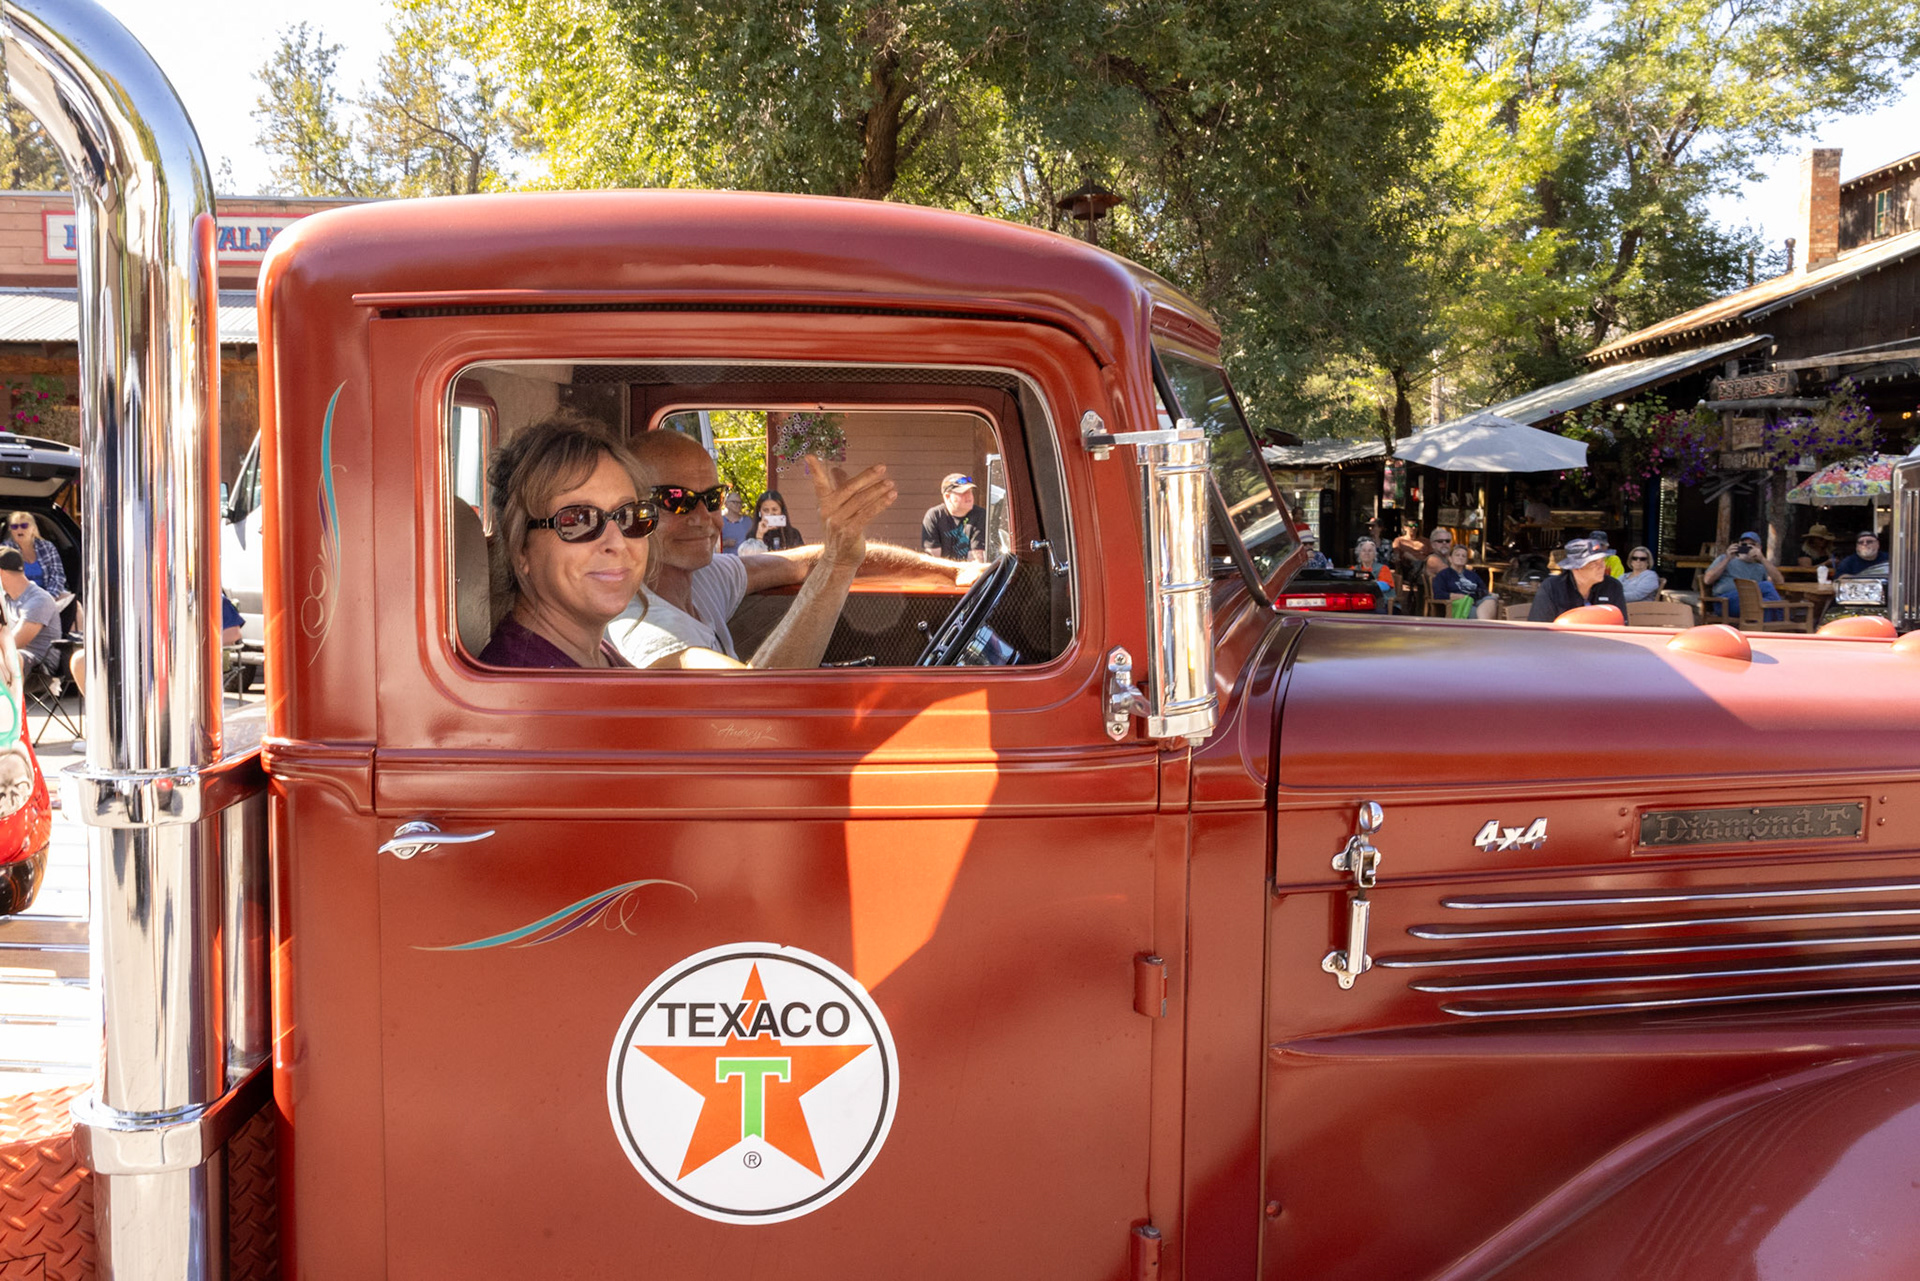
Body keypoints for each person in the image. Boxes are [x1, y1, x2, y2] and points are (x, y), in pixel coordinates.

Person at [611, 428, 976, 670]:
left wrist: (951, 572)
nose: (704, 516)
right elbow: (757, 709)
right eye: (677, 500)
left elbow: (802, 561)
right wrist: (838, 565)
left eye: (712, 497)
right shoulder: (644, 631)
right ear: (631, 510)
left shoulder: (702, 577)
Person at [476, 415, 654, 669]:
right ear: (521, 549)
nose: (618, 542)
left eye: (630, 516)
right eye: (579, 520)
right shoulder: (525, 688)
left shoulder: (590, 654)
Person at [1528, 538, 1627, 621]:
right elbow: (1539, 629)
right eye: (1594, 563)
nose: (1602, 566)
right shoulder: (1552, 588)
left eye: (1602, 561)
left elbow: (1622, 627)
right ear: (1576, 567)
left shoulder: (1613, 586)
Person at [0, 546, 61, 678]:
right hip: (13, 660)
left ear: (1, 572)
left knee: (11, 656)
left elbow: (15, 642)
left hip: (39, 665)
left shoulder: (39, 600)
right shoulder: (6, 597)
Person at [1703, 530, 1786, 617]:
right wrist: (1728, 559)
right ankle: (1784, 615)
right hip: (1726, 602)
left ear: (1759, 548)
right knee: (1766, 586)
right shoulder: (1724, 559)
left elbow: (1780, 581)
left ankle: (1766, 629)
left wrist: (1762, 558)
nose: (1747, 548)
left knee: (1766, 606)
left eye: (1752, 545)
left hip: (1751, 603)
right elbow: (1707, 580)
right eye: (1744, 545)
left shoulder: (1761, 567)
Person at [922, 473, 987, 561]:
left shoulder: (981, 515)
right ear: (947, 497)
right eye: (963, 492)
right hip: (942, 572)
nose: (969, 496)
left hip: (970, 572)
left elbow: (976, 558)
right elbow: (933, 559)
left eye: (970, 491)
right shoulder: (934, 516)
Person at [1429, 543, 1498, 619]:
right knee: (1477, 611)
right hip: (1460, 604)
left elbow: (1483, 589)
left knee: (1491, 599)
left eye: (1463, 556)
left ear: (1466, 560)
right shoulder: (1443, 575)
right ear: (1450, 558)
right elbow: (1438, 594)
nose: (1460, 558)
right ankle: (1483, 625)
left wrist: (1481, 594)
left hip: (1476, 601)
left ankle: (1482, 624)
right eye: (1457, 555)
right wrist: (1458, 596)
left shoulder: (1472, 575)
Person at [7, 512, 64, 596]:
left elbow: (58, 575)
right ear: (11, 530)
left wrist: (49, 598)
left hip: (49, 596)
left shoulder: (47, 547)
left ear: (33, 528)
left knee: (76, 605)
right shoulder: (5, 550)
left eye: (24, 526)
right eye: (14, 527)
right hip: (19, 600)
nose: (19, 530)